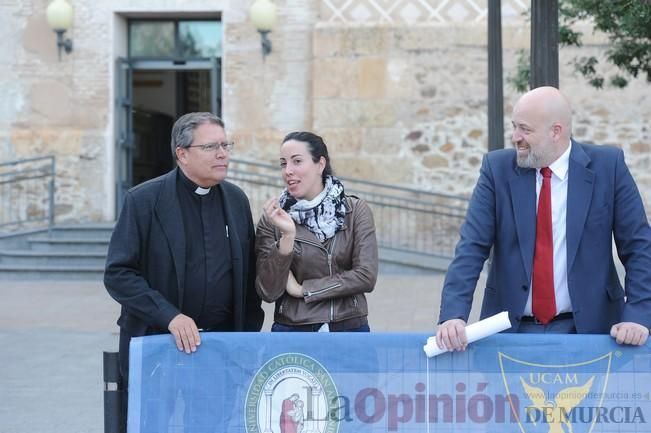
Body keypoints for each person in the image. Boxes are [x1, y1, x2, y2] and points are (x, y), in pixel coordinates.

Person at [436, 86, 651, 351]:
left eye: (525, 130)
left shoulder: (608, 167)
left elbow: (639, 248)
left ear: (556, 131)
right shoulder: (497, 170)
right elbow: (471, 248)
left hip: (592, 333)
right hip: (510, 333)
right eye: (514, 127)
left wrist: (638, 316)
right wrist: (453, 316)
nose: (515, 137)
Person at [104, 112, 264, 428]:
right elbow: (118, 274)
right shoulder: (143, 200)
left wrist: (246, 336)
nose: (223, 154)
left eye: (226, 145)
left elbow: (247, 275)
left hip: (219, 351)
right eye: (211, 147)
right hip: (157, 345)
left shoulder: (236, 199)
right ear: (182, 154)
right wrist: (169, 316)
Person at [255, 131, 378, 332]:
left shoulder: (354, 211)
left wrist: (303, 290)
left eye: (297, 161)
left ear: (320, 164)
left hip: (348, 328)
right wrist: (287, 238)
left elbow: (365, 276)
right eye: (283, 163)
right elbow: (268, 291)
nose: (288, 170)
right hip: (293, 330)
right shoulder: (273, 219)